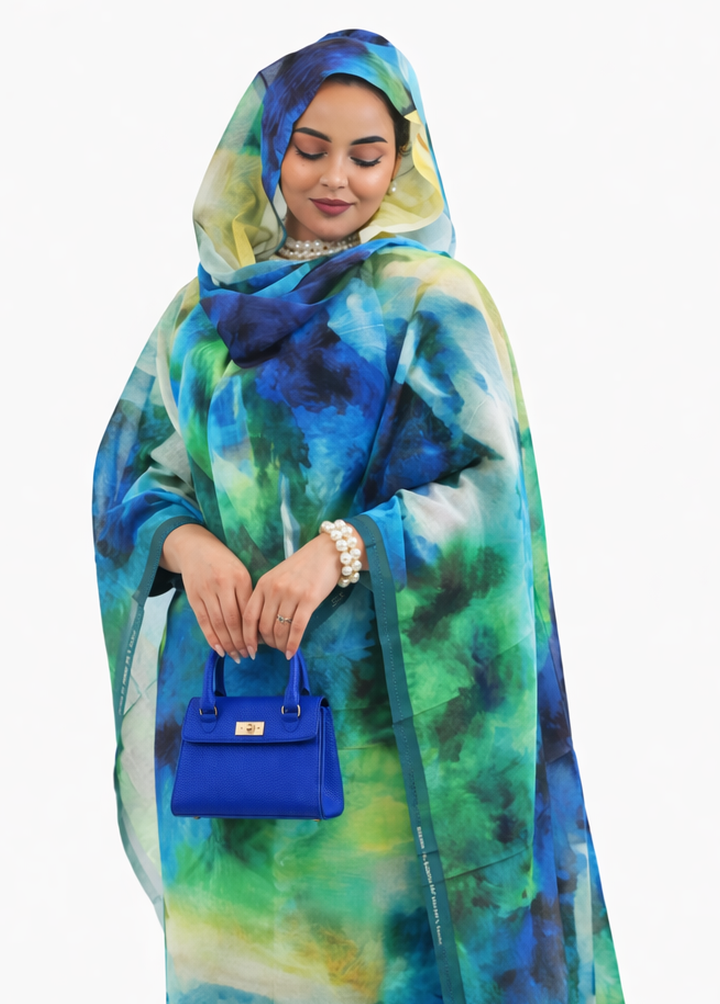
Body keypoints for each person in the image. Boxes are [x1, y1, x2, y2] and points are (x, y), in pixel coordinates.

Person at [93, 28, 625, 1004]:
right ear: (267, 147)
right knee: (234, 968)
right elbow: (133, 475)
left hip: (388, 731)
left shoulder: (430, 302)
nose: (337, 177)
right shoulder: (197, 317)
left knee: (378, 972)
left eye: (367, 154)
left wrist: (338, 550)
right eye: (312, 148)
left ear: (402, 161)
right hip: (220, 709)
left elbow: (489, 493)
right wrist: (193, 547)